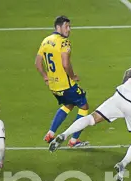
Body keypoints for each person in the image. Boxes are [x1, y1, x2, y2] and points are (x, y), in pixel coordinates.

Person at [49, 37, 131, 181]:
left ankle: (64, 135)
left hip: (120, 95)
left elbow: (128, 72)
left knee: (92, 118)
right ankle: (123, 164)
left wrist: (124, 89)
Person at [35, 15, 90, 148]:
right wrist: (73, 76)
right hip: (66, 84)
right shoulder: (64, 42)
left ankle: (51, 133)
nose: (69, 29)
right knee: (84, 106)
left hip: (54, 86)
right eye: (66, 26)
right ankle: (73, 140)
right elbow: (66, 64)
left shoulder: (46, 40)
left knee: (68, 105)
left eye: (69, 26)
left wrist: (45, 76)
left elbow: (37, 62)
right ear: (58, 27)